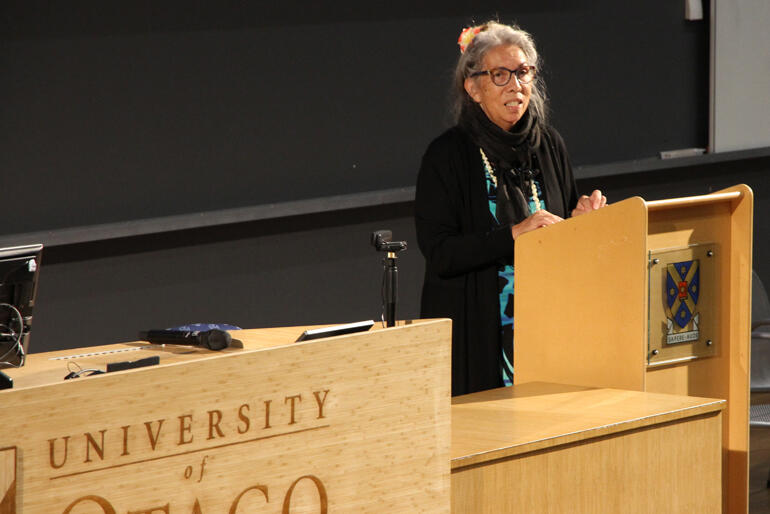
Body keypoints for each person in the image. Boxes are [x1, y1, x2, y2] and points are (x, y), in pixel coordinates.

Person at [415, 21, 606, 396]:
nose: (515, 85)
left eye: (522, 72)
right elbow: (440, 253)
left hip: (547, 324)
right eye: (499, 75)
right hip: (479, 331)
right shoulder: (447, 155)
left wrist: (581, 224)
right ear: (473, 87)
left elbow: (559, 227)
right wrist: (513, 234)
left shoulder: (548, 144)